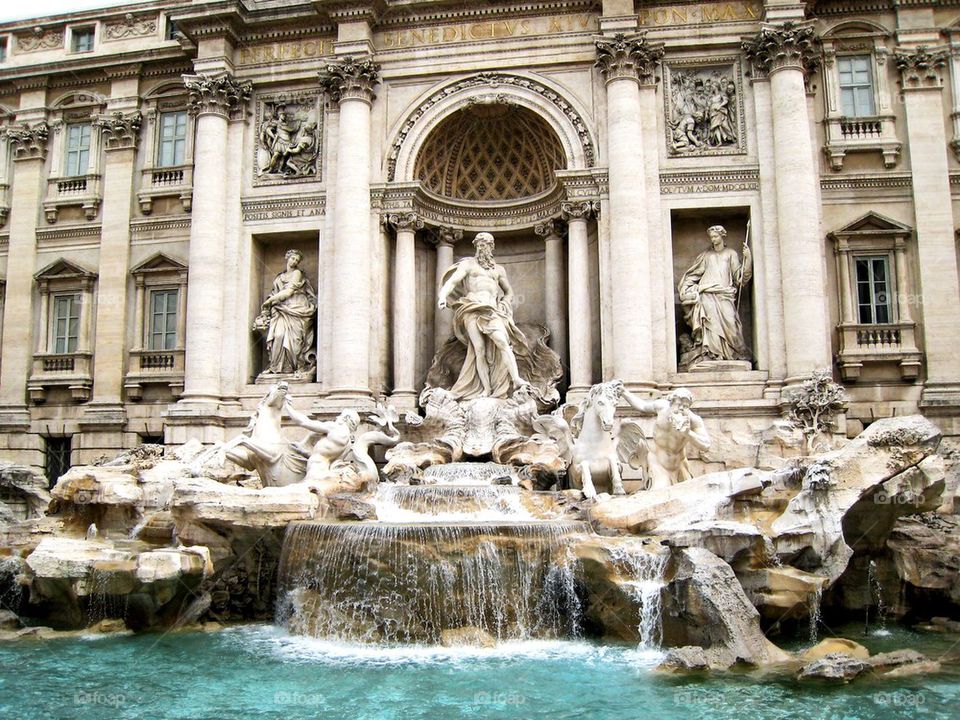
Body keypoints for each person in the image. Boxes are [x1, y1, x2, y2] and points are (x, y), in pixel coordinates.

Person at [436, 232, 531, 400]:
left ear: (491, 247)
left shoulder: (499, 270)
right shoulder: (468, 265)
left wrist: (504, 303)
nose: (481, 247)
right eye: (479, 244)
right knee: (478, 349)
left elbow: (509, 292)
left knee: (502, 342)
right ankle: (486, 389)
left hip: (492, 310)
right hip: (471, 308)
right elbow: (452, 282)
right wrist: (443, 296)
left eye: (485, 244)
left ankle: (516, 379)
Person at [677, 225, 751, 365]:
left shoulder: (731, 254)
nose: (713, 239)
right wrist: (686, 287)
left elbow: (740, 278)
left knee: (732, 325)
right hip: (707, 295)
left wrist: (748, 259)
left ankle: (732, 353)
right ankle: (711, 354)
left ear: (722, 236)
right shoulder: (706, 255)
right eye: (711, 237)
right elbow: (694, 274)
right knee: (710, 325)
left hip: (725, 295)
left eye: (715, 236)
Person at [620, 386, 711, 489]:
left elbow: (706, 445)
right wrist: (624, 392)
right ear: (671, 403)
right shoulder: (661, 407)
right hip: (658, 463)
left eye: (685, 406)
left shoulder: (694, 420)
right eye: (678, 404)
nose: (681, 409)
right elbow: (643, 406)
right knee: (659, 493)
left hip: (679, 466)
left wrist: (687, 433)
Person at [257, 249, 318, 377]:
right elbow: (274, 293)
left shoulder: (297, 274)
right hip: (281, 310)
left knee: (295, 341)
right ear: (287, 258)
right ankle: (276, 367)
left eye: (297, 260)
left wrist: (269, 301)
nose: (294, 261)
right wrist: (268, 305)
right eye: (293, 258)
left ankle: (294, 368)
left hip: (297, 308)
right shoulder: (279, 277)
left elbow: (289, 292)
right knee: (278, 336)